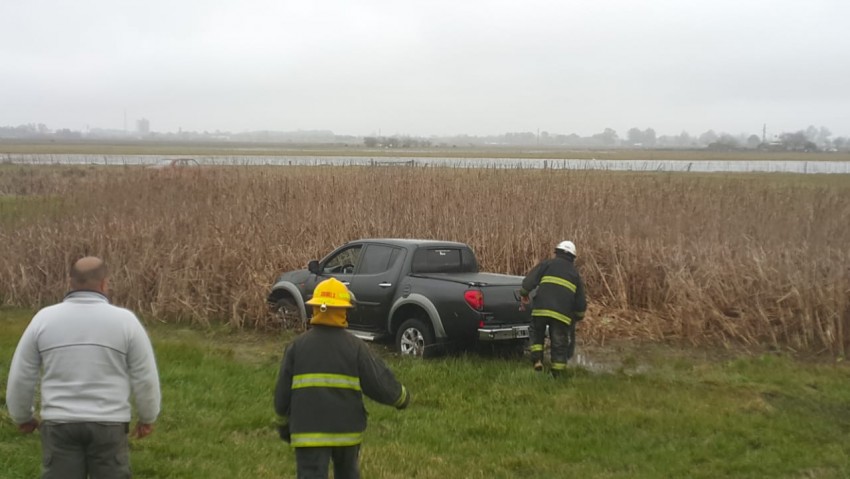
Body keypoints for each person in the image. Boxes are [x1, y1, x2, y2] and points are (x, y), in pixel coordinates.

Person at [6, 256, 161, 479]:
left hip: (59, 423)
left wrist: (22, 416)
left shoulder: (43, 319)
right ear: (104, 283)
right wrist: (148, 417)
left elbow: (22, 374)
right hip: (109, 424)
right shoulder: (126, 321)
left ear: (71, 282)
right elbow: (145, 375)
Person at [274, 277, 410, 479]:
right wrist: (401, 397)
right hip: (347, 433)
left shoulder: (296, 347)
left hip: (308, 433)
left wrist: (284, 425)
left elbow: (282, 393)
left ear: (315, 309)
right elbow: (378, 381)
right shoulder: (356, 347)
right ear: (343, 310)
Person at [520, 240, 587, 377]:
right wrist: (579, 315)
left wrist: (524, 293)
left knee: (537, 334)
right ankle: (557, 373)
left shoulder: (547, 264)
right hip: (561, 314)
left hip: (541, 310)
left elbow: (529, 281)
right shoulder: (575, 274)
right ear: (572, 257)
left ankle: (537, 360)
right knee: (559, 342)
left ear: (557, 252)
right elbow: (580, 300)